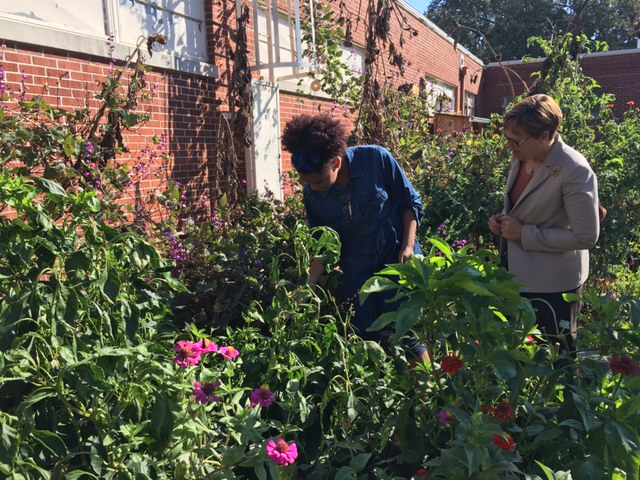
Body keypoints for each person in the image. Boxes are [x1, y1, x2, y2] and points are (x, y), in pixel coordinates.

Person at [282, 113, 428, 361]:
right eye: (307, 182)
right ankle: (380, 395)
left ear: (336, 163)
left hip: (397, 259)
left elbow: (409, 204)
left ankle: (426, 396)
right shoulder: (312, 194)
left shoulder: (376, 159)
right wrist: (307, 288)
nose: (313, 188)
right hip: (357, 269)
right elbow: (323, 244)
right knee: (366, 339)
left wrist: (408, 246)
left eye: (318, 181)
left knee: (407, 334)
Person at [488, 94, 600, 355]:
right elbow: (523, 207)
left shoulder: (574, 169)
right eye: (508, 139)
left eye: (516, 141)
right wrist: (502, 221)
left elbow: (586, 236)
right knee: (523, 358)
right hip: (517, 277)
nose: (510, 147)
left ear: (545, 135)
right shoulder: (523, 156)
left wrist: (524, 233)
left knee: (556, 361)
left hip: (553, 288)